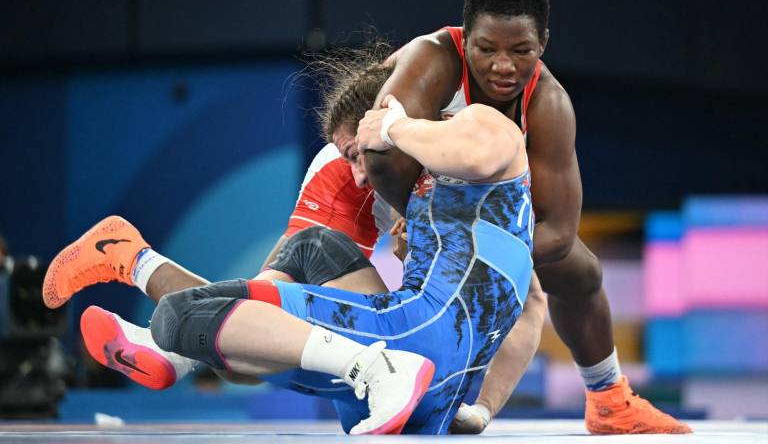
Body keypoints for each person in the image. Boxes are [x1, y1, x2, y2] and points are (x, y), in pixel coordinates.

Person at [43, 83, 535, 434]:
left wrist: (485, 406)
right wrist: (479, 407)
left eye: (360, 155)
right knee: (273, 308)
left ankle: (139, 274)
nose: (360, 176)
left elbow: (535, 293)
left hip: (418, 347)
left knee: (198, 325)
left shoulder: (462, 142)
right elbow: (276, 318)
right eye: (348, 158)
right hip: (427, 353)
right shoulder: (344, 175)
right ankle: (173, 341)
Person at [360, 0, 691, 434]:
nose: (503, 66)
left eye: (521, 51)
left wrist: (481, 255)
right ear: (464, 35)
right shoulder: (431, 59)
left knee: (580, 271)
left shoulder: (549, 103)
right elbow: (379, 158)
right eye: (486, 49)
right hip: (381, 185)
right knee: (341, 250)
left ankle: (609, 400)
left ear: (544, 44)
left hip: (482, 213)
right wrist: (423, 223)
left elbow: (558, 232)